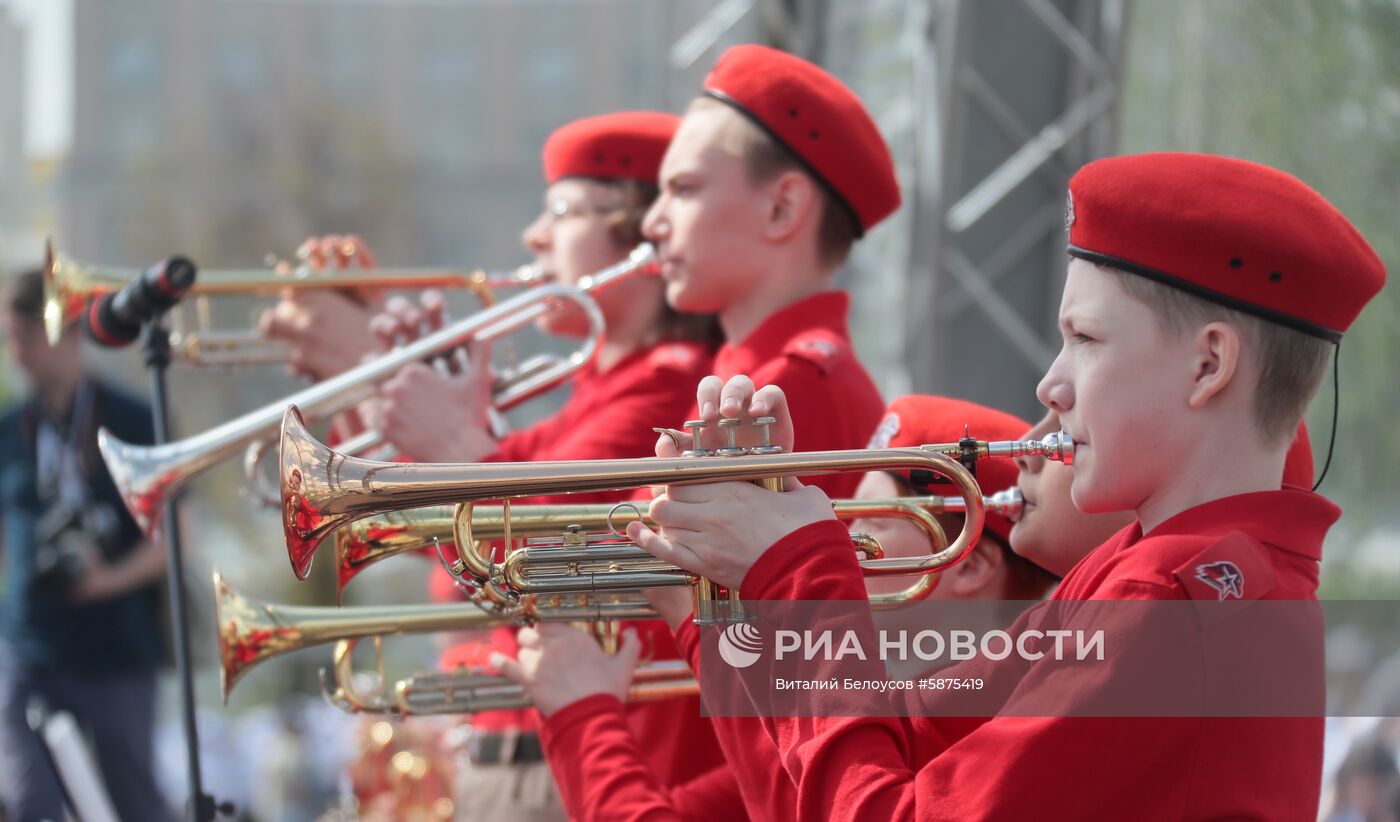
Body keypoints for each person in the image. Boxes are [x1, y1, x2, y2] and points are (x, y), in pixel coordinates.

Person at [616, 151, 1386, 819]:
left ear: (1209, 365)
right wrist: (729, 611)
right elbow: (844, 773)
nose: (1051, 384)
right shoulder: (1150, 572)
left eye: (1084, 339)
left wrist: (801, 573)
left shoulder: (1169, 604)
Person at [495, 395, 1054, 821]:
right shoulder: (876, 696)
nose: (837, 534)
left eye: (874, 519)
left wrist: (587, 713)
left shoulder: (978, 718)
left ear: (973, 565)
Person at [0, 268, 172, 821]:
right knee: (29, 801)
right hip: (30, 644)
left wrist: (107, 580)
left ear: (66, 333)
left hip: (116, 647)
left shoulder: (132, 418)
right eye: (9, 340)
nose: (16, 354)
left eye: (24, 337)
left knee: (133, 801)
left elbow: (173, 538)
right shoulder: (9, 430)